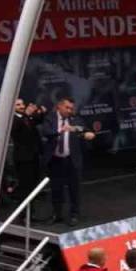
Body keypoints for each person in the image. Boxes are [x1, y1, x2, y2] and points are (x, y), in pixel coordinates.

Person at [41, 97, 95, 226]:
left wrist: (84, 133)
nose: (69, 110)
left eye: (71, 108)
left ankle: (74, 214)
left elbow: (87, 131)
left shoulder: (75, 119)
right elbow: (46, 132)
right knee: (56, 189)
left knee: (74, 189)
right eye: (67, 107)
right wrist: (61, 130)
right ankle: (56, 214)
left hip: (72, 160)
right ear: (59, 106)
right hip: (56, 160)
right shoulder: (50, 118)